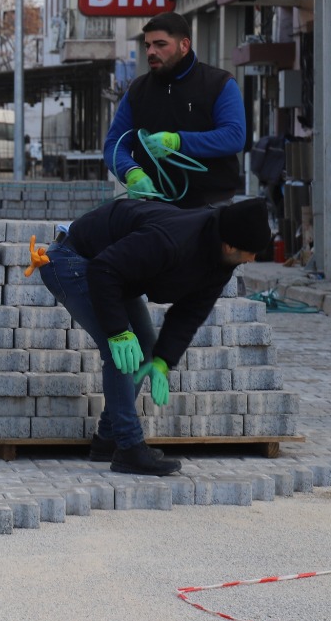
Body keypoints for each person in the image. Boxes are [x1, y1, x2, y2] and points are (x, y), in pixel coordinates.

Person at [35, 197, 271, 476]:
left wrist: (163, 360)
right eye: (252, 252)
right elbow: (103, 270)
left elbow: (189, 313)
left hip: (113, 271)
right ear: (230, 245)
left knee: (145, 346)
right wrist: (118, 332)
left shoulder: (220, 263)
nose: (253, 259)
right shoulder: (173, 240)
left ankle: (108, 438)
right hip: (74, 261)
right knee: (121, 351)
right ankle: (129, 448)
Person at [104, 11, 246, 208]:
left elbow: (234, 136)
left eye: (160, 44)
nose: (151, 51)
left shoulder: (219, 83)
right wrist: (130, 171)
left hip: (211, 206)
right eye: (148, 45)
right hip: (154, 206)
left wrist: (178, 141)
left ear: (184, 45)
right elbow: (114, 144)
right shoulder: (137, 90)